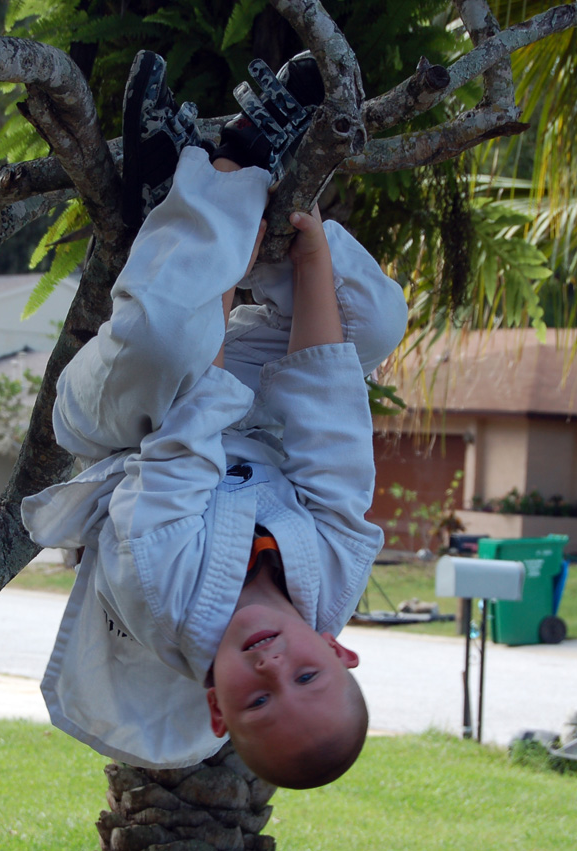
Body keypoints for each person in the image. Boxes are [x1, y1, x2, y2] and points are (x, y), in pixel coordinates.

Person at [22, 49, 408, 788]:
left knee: (173, 338)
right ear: (339, 651)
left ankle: (230, 169)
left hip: (130, 419)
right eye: (306, 675)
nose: (272, 665)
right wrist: (312, 250)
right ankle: (202, 199)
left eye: (260, 696)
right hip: (250, 401)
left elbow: (184, 429)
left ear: (218, 707)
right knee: (378, 320)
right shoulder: (332, 579)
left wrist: (224, 269)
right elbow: (332, 432)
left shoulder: (163, 598)